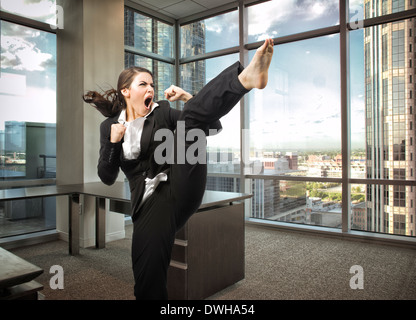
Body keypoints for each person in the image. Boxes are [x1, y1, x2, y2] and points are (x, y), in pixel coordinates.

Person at [83, 39, 274, 299]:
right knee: (147, 278)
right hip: (148, 202)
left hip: (180, 179)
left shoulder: (161, 113)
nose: (151, 88)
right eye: (143, 84)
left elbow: (211, 127)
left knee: (192, 117)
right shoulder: (109, 127)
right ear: (125, 91)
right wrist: (114, 143)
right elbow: (106, 177)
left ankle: (244, 79)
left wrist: (186, 97)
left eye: (152, 84)